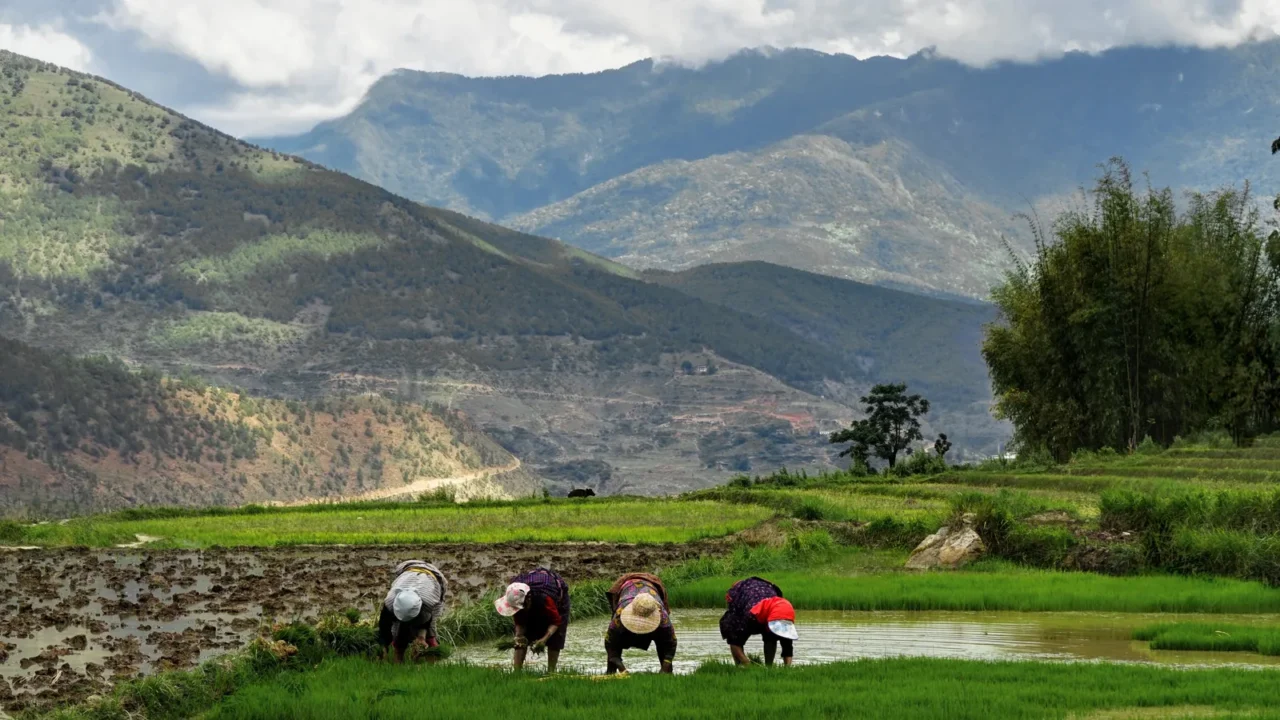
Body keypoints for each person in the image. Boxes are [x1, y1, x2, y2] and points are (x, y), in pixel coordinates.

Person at [494, 567, 570, 672]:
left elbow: (555, 622)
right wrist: (519, 637)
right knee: (522, 638)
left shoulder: (544, 599)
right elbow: (520, 624)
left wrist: (543, 640)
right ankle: (517, 672)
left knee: (556, 638)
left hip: (557, 600)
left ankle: (551, 672)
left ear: (528, 600)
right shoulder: (515, 594)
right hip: (529, 599)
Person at [603, 572, 676, 674]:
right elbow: (610, 643)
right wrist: (622, 669)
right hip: (627, 589)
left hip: (651, 590)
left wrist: (665, 666)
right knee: (616, 641)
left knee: (662, 643)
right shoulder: (620, 616)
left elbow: (670, 644)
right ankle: (610, 673)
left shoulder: (662, 618)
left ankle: (667, 674)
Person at [378, 560, 448, 664]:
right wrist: (383, 648)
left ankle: (433, 663)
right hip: (407, 570)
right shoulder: (390, 601)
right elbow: (384, 628)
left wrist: (421, 638)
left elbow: (426, 623)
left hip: (435, 578)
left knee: (431, 632)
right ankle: (398, 661)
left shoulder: (428, 602)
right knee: (396, 632)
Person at [720, 576, 798, 667]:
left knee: (771, 636)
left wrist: (787, 668)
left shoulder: (784, 614)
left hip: (771, 607)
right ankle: (740, 666)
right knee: (735, 635)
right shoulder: (747, 614)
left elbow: (787, 644)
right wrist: (748, 664)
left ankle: (768, 667)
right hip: (750, 608)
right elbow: (734, 642)